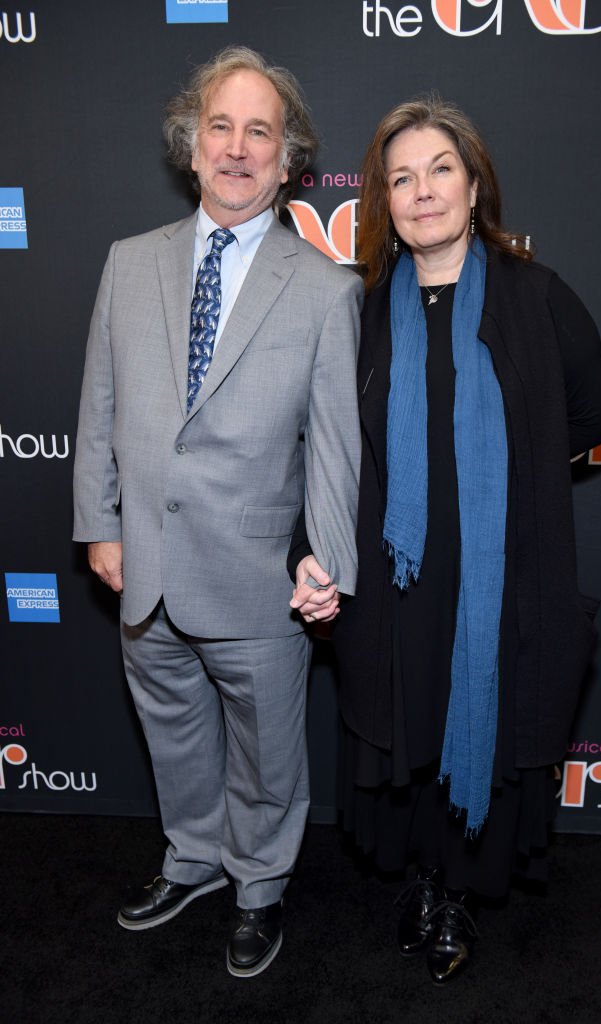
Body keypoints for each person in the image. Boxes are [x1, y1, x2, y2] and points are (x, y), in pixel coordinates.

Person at [290, 95, 601, 985]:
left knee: (481, 714)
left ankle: (459, 889)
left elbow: (588, 412)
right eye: (401, 177)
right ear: (381, 202)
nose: (422, 190)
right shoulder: (356, 314)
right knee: (413, 727)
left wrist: (505, 474)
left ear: (474, 186)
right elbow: (325, 444)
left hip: (498, 574)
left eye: (439, 170)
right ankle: (426, 875)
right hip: (394, 575)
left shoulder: (534, 297)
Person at [72, 46, 362, 979]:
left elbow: (334, 447)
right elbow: (100, 405)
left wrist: (329, 564)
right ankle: (193, 859)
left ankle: (259, 887)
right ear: (192, 149)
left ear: (288, 162)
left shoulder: (324, 290)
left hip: (256, 576)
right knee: (172, 729)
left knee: (269, 753)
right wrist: (99, 523)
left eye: (260, 134)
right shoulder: (129, 262)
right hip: (144, 563)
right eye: (221, 128)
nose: (238, 149)